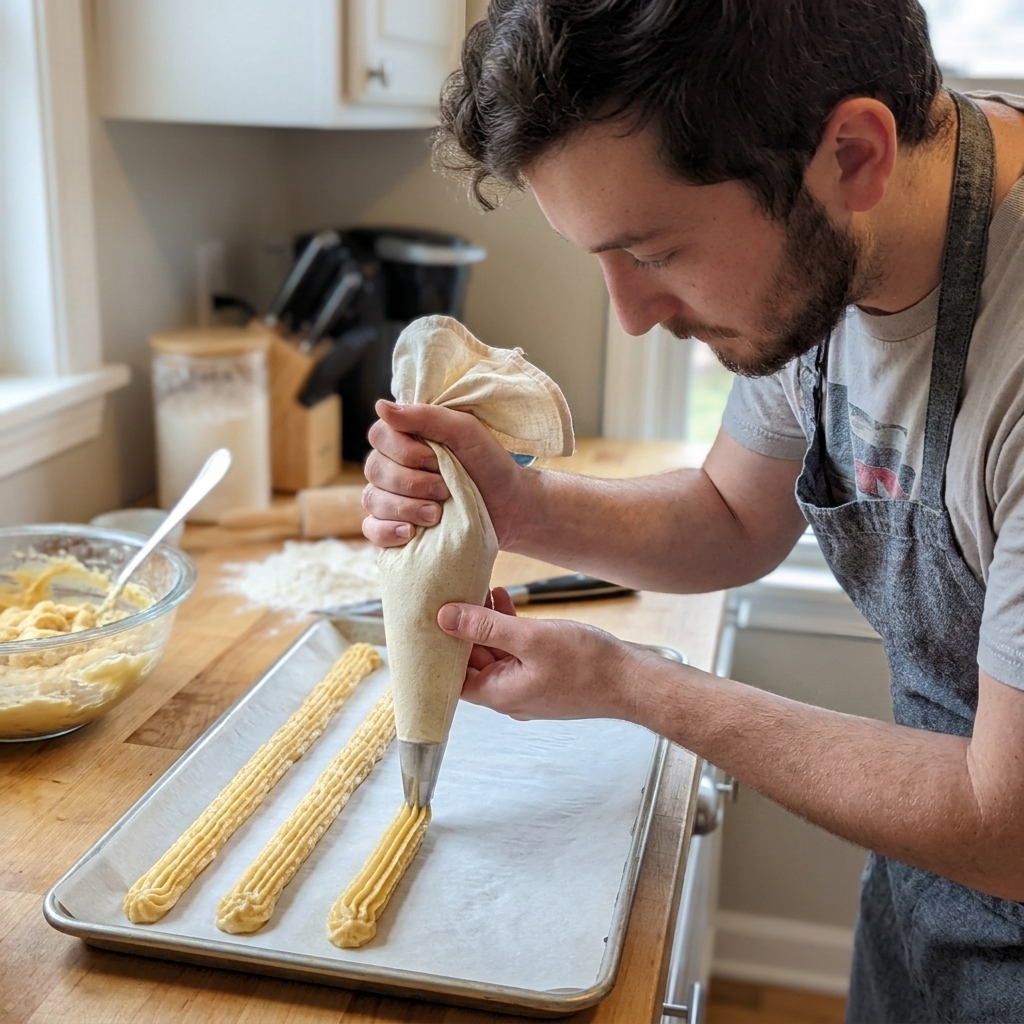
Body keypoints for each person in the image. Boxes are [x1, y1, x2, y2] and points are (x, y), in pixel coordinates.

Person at [361, 2, 1024, 1019]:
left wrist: (635, 684)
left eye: (655, 252)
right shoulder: (832, 241)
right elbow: (730, 514)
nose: (629, 318)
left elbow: (1005, 822)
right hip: (923, 901)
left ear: (853, 152)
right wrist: (513, 501)